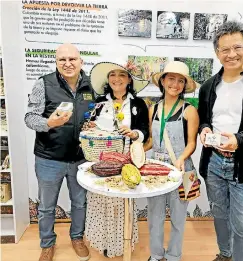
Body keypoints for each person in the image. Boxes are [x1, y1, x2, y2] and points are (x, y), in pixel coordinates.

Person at [25, 43, 94, 261]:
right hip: (49, 158)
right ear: (56, 62)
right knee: (46, 206)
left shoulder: (92, 85)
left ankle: (76, 238)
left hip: (80, 159)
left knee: (80, 202)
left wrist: (94, 125)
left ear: (81, 61)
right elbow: (30, 118)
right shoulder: (43, 83)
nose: (67, 63)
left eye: (72, 59)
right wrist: (49, 123)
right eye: (62, 60)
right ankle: (47, 244)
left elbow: (98, 114)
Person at [83, 61, 149, 257]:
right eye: (113, 74)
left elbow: (144, 131)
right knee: (102, 201)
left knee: (122, 204)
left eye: (122, 74)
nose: (117, 79)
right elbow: (91, 123)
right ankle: (103, 242)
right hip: (101, 160)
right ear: (108, 78)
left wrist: (134, 133)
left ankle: (121, 244)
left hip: (126, 159)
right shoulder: (99, 101)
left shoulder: (138, 104)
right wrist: (90, 127)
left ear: (129, 79)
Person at [144, 61, 199, 261]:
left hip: (181, 169)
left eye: (180, 81)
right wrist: (138, 151)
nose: (175, 84)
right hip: (156, 169)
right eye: (171, 79)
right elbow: (151, 141)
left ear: (184, 85)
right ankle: (156, 255)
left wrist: (182, 158)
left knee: (178, 217)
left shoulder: (189, 110)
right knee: (155, 217)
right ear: (163, 81)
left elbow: (192, 143)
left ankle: (174, 256)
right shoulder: (153, 109)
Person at [198, 21, 243, 261]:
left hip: (241, 164)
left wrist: (238, 139)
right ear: (217, 53)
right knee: (219, 214)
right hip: (214, 162)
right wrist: (204, 131)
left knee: (242, 222)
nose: (232, 54)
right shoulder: (208, 86)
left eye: (237, 47)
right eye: (225, 49)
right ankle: (224, 254)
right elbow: (205, 120)